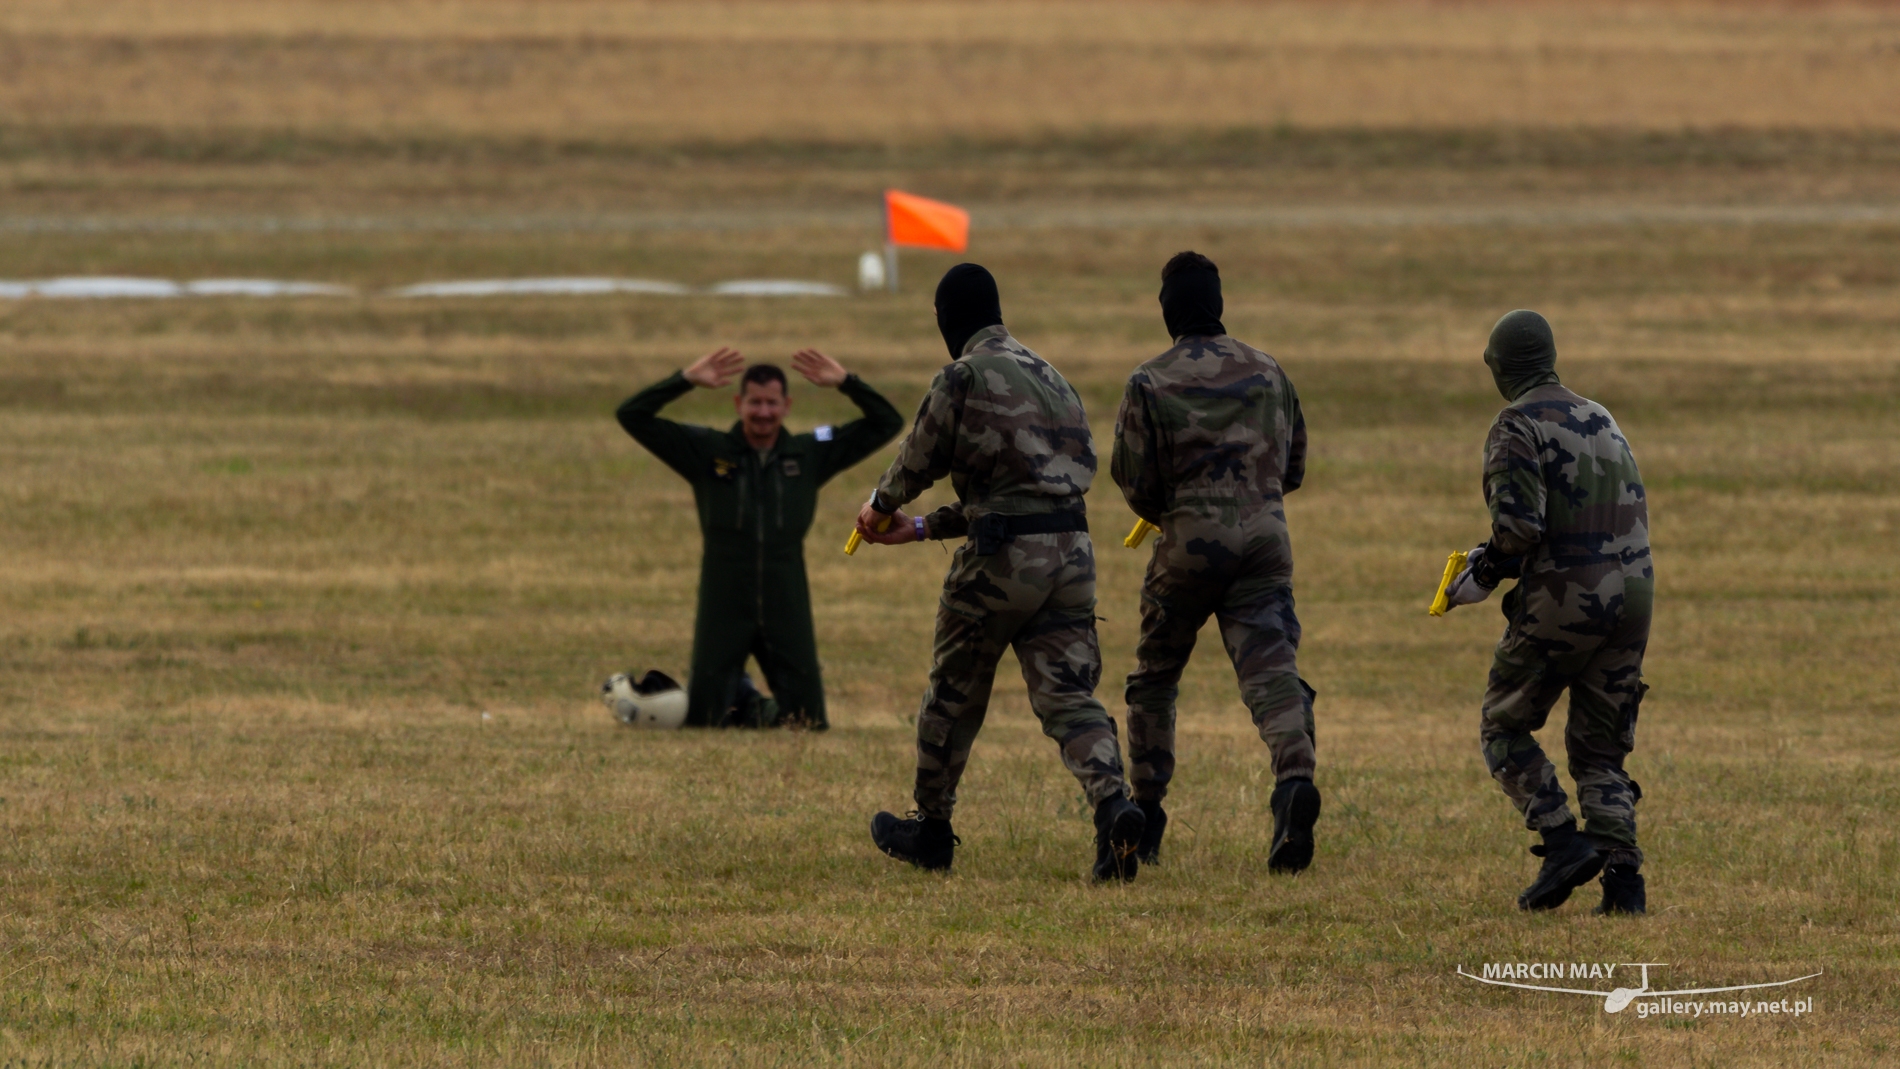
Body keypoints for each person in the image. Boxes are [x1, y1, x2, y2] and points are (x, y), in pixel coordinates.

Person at [854, 263, 1146, 881]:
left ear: (945, 320)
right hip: (1071, 554)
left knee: (953, 695)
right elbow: (1030, 488)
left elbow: (921, 455)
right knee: (1069, 696)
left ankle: (931, 829)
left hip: (1000, 562)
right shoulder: (1052, 375)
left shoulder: (963, 374)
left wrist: (881, 507)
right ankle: (1114, 807)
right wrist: (926, 529)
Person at [1109, 251, 1321, 874]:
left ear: (1168, 310)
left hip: (1187, 548)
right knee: (1272, 672)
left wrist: (1177, 508)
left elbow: (1133, 478)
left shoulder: (1150, 380)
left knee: (1155, 679)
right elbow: (1295, 466)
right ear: (1219, 304)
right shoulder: (1268, 371)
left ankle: (1145, 815)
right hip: (1263, 542)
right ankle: (1294, 783)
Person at [1440, 309, 1653, 915]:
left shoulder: (1516, 423)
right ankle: (1625, 886)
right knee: (1601, 748)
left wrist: (1481, 576)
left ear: (1501, 367)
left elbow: (1518, 528)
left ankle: (1562, 842)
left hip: (1565, 598)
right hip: (1633, 596)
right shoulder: (1601, 416)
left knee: (1503, 727)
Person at [616, 347, 903, 730]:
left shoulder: (807, 454)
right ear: (738, 403)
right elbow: (632, 416)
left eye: (772, 403)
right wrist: (684, 380)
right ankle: (733, 698)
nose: (763, 412)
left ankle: (748, 705)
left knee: (809, 723)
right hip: (724, 596)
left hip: (786, 596)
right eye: (755, 402)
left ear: (787, 405)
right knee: (702, 722)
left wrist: (847, 382)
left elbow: (887, 422)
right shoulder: (709, 451)